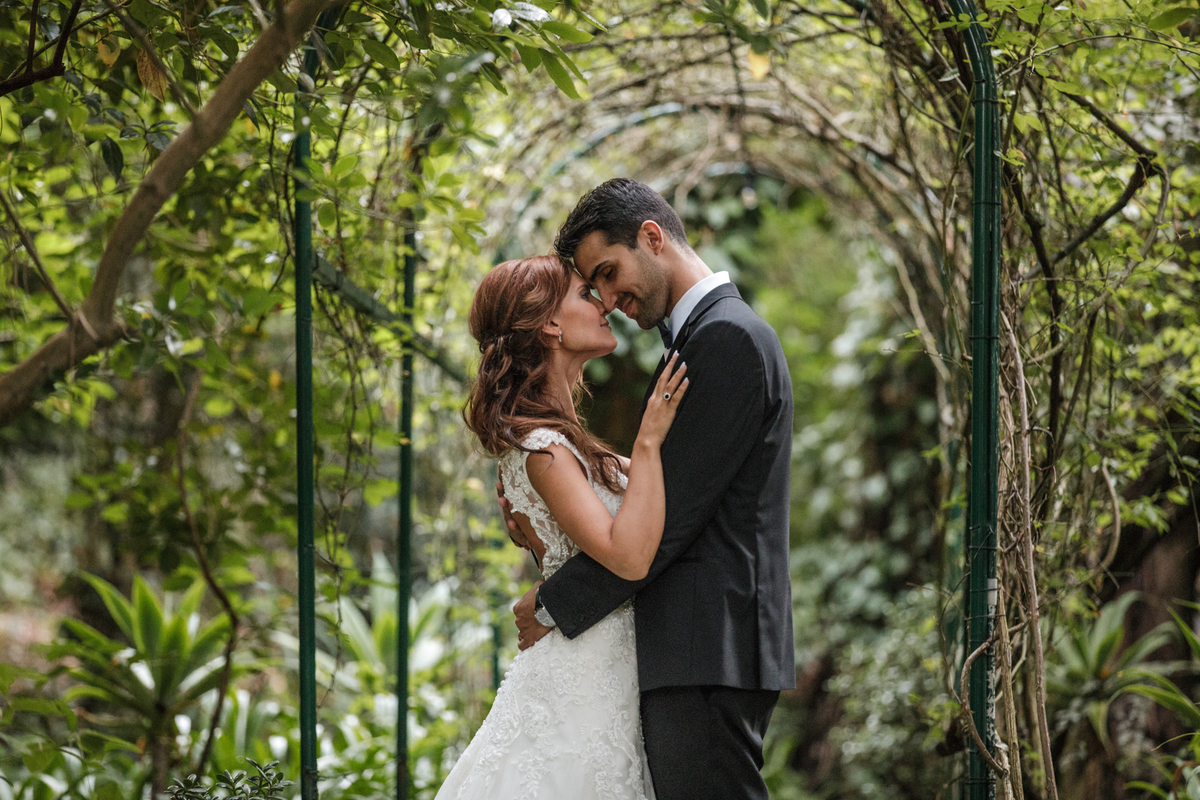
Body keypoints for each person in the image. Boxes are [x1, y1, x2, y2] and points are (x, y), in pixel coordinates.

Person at [506, 178, 795, 800]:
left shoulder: (726, 341)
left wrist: (555, 602)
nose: (608, 299)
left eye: (608, 274)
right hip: (696, 647)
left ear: (652, 237)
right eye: (594, 286)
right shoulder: (705, 341)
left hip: (706, 646)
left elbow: (667, 527)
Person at [439, 254, 688, 800]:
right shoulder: (543, 450)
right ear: (549, 325)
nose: (602, 303)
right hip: (581, 682)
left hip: (603, 672)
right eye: (584, 293)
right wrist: (647, 441)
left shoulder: (563, 444)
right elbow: (626, 556)